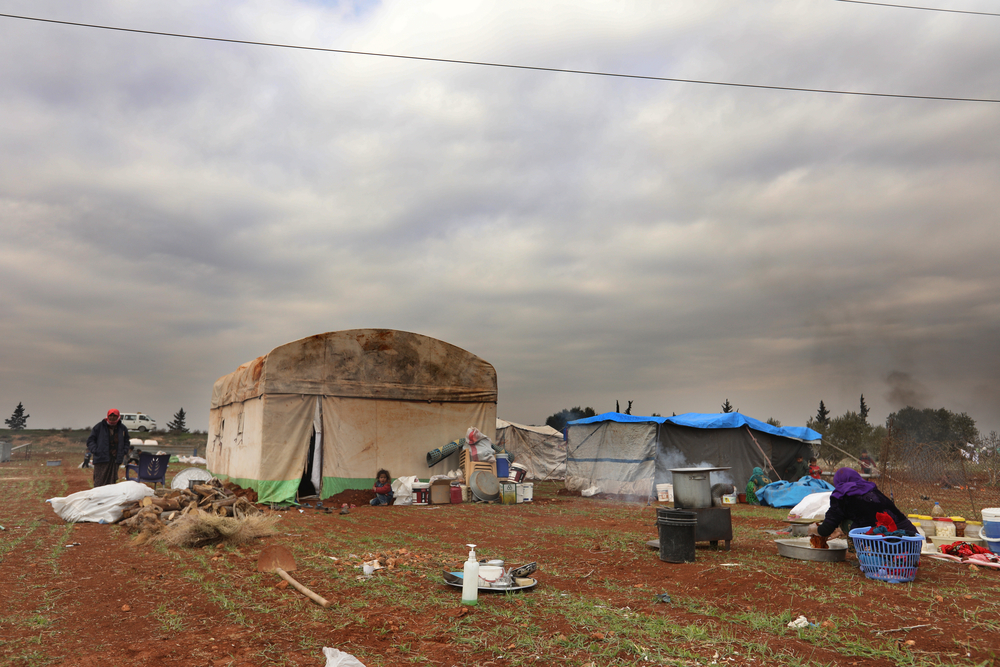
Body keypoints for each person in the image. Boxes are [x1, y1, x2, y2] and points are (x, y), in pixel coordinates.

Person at [808, 467, 917, 540]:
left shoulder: (841, 494)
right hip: (912, 538)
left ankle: (860, 552)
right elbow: (866, 513)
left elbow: (826, 529)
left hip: (885, 541)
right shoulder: (870, 488)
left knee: (845, 520)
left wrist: (813, 529)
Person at [86, 408, 131, 488]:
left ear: (118, 417)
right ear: (107, 416)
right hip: (101, 458)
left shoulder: (122, 428)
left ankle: (109, 498)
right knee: (99, 481)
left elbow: (126, 441)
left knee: (111, 481)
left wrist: (123, 451)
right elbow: (90, 441)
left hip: (115, 459)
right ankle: (98, 498)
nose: (112, 418)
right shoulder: (99, 427)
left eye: (115, 416)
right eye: (111, 415)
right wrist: (96, 450)